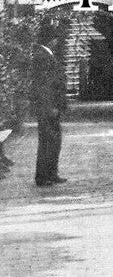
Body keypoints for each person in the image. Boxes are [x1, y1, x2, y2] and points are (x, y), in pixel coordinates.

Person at [31, 21, 68, 186]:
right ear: (50, 39)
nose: (57, 42)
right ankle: (43, 176)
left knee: (53, 139)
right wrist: (51, 106)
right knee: (48, 140)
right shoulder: (42, 57)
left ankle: (51, 173)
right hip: (48, 107)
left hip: (50, 106)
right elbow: (44, 85)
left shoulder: (45, 55)